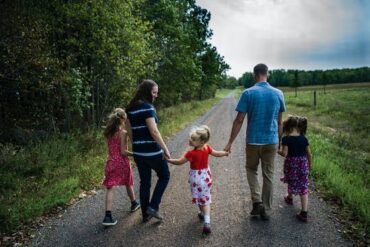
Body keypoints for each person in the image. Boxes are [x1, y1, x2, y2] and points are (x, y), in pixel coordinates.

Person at [224, 63, 286, 220]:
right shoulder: (278, 93)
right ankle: (264, 206)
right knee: (268, 174)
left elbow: (239, 120)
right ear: (267, 74)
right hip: (271, 140)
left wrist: (230, 142)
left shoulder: (248, 93)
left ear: (254, 75)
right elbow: (280, 122)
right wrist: (279, 142)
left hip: (253, 141)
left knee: (251, 169)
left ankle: (257, 201)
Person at [167, 125, 229, 235]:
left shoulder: (191, 154)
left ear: (201, 141)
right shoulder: (207, 148)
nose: (190, 140)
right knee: (205, 199)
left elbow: (179, 162)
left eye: (194, 139)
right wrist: (225, 153)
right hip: (205, 177)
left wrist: (169, 160)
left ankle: (203, 216)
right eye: (191, 138)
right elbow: (217, 153)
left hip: (195, 179)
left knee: (200, 198)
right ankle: (205, 219)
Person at [126, 79, 171, 222]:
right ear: (147, 92)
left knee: (145, 182)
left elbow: (130, 132)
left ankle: (145, 214)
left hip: (138, 152)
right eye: (154, 92)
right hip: (152, 151)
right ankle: (154, 206)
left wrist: (137, 147)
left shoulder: (129, 109)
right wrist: (165, 148)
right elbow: (154, 131)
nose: (156, 95)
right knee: (164, 175)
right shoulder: (147, 107)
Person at [102, 108, 140, 226]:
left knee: (110, 188)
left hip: (110, 162)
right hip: (122, 163)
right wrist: (135, 154)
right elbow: (123, 152)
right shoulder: (123, 133)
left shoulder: (109, 133)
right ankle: (134, 203)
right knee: (128, 182)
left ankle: (108, 216)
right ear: (123, 119)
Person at [278, 116, 312, 222]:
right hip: (303, 164)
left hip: (291, 164)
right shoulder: (304, 139)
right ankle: (304, 212)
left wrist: (277, 151)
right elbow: (309, 154)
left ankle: (290, 197)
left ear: (288, 127)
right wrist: (309, 165)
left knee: (291, 180)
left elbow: (285, 153)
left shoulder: (286, 139)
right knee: (303, 186)